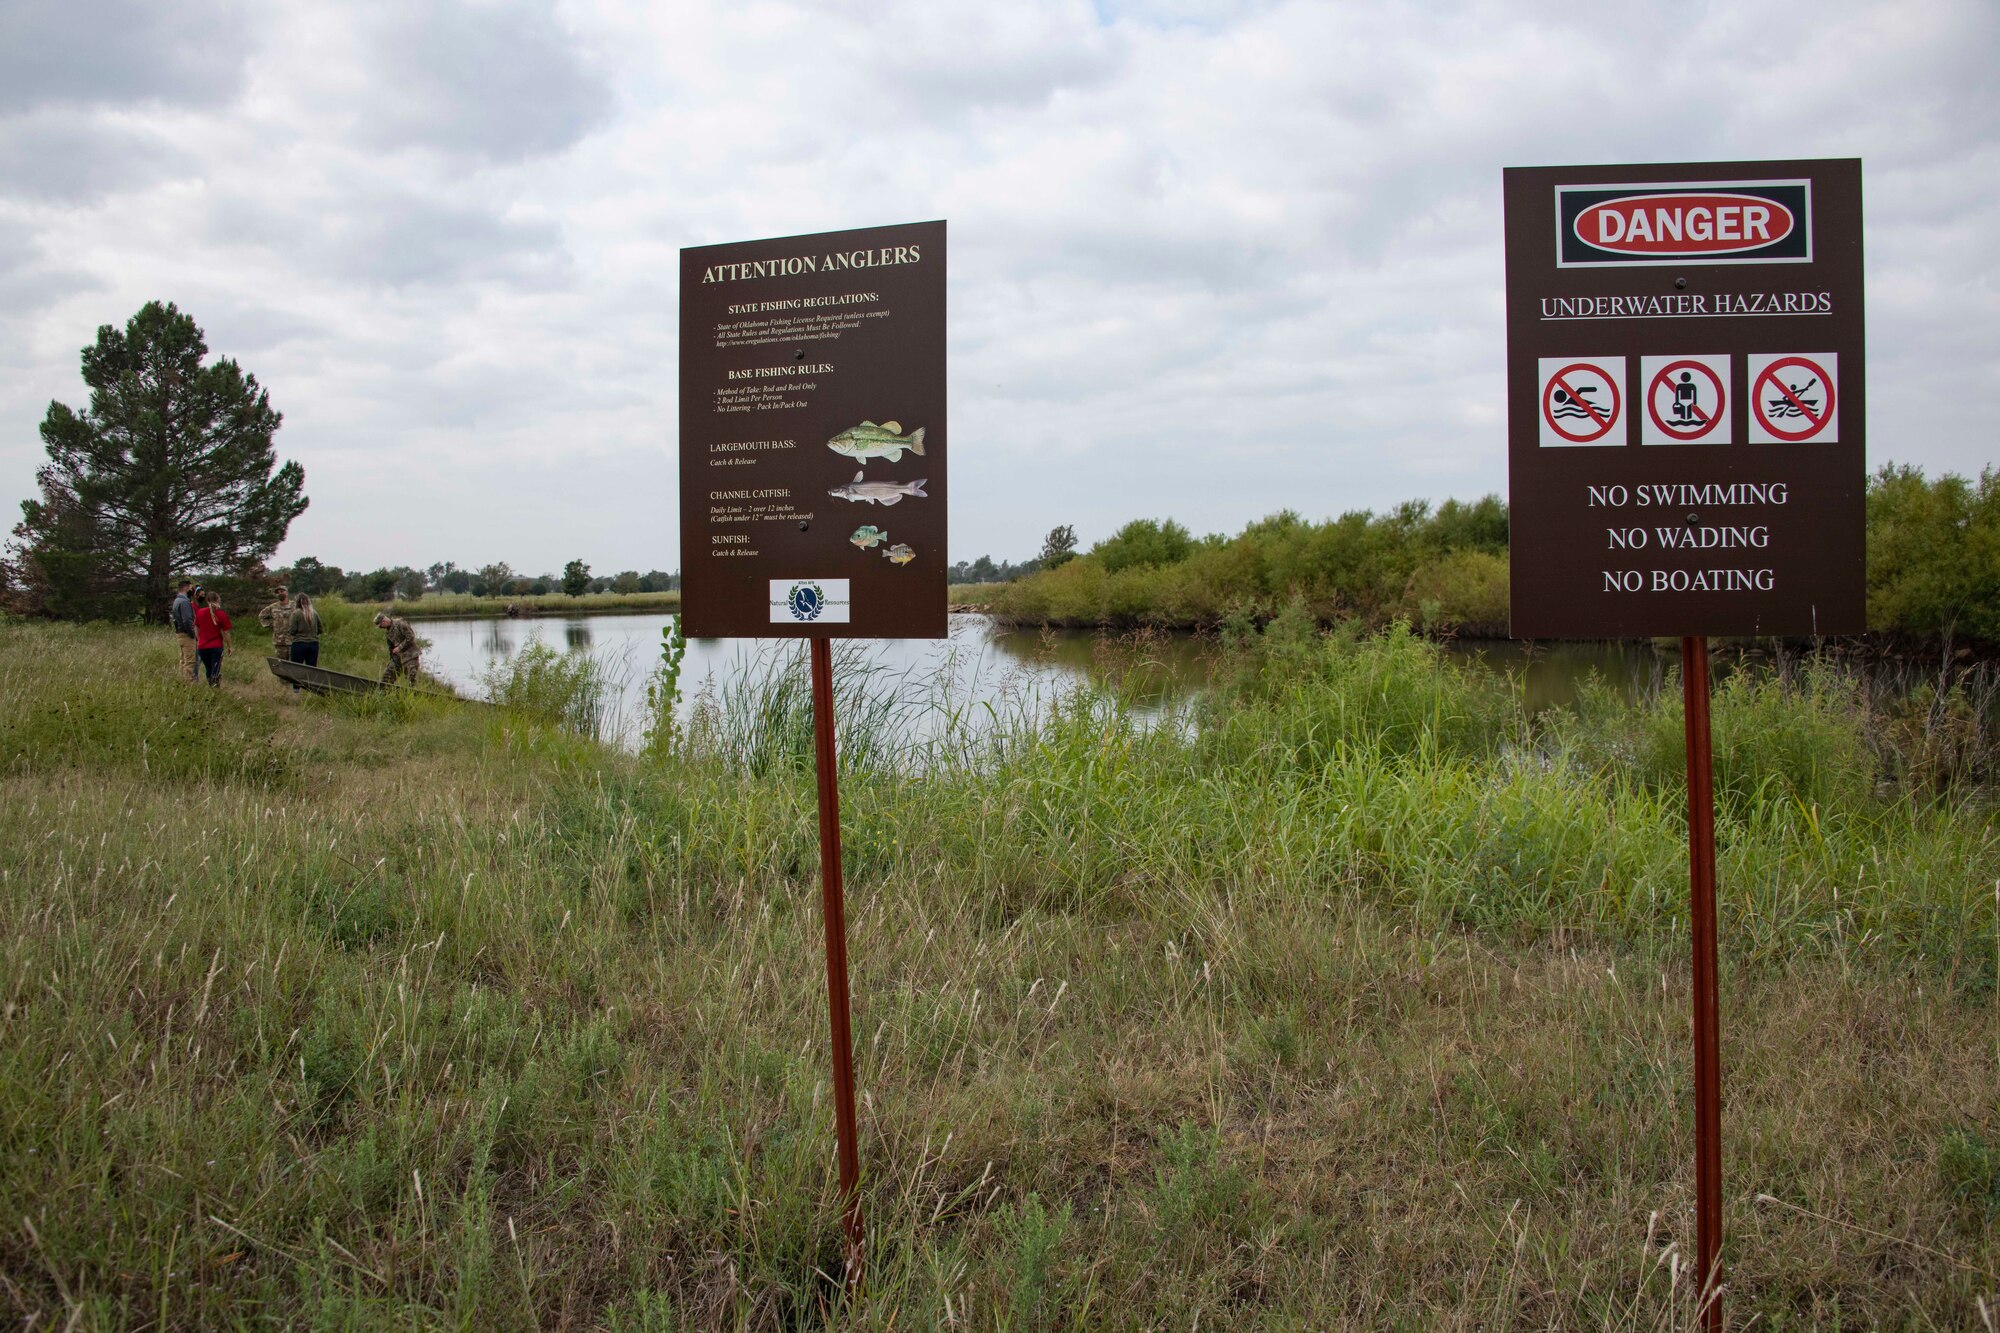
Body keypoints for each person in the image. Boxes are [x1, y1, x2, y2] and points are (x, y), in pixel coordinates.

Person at [194, 591, 232, 688]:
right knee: (216, 669)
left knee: (208, 669)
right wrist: (230, 646)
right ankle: (215, 687)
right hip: (216, 646)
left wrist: (199, 639)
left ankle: (211, 684)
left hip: (202, 646)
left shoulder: (200, 612)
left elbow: (196, 627)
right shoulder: (221, 614)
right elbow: (226, 632)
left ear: (207, 600)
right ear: (217, 600)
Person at [375, 610, 421, 686]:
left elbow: (411, 637)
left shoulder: (400, 624)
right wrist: (392, 658)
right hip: (397, 658)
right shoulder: (388, 631)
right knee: (386, 678)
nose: (381, 628)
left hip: (410, 656)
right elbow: (391, 647)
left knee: (411, 680)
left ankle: (413, 696)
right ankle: (384, 694)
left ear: (383, 621)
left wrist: (399, 647)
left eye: (380, 626)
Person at [170, 579, 198, 682]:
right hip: (186, 635)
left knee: (183, 660)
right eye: (191, 588)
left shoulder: (177, 600)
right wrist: (193, 634)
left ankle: (181, 681)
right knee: (190, 661)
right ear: (186, 588)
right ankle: (188, 683)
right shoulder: (184, 602)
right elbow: (187, 620)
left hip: (180, 634)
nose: (192, 590)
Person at [259, 585, 295, 661]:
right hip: (279, 641)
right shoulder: (273, 607)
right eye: (278, 593)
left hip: (294, 640)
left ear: (287, 593)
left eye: (282, 591)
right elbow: (261, 616)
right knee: (282, 664)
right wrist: (271, 624)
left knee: (294, 664)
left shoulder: (295, 605)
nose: (279, 593)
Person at [288, 595, 322, 672]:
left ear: (297, 603)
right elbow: (321, 629)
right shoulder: (315, 613)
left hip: (299, 644)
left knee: (296, 669)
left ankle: (298, 684)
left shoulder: (296, 613)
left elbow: (292, 631)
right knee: (312, 670)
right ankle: (310, 684)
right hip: (313, 644)